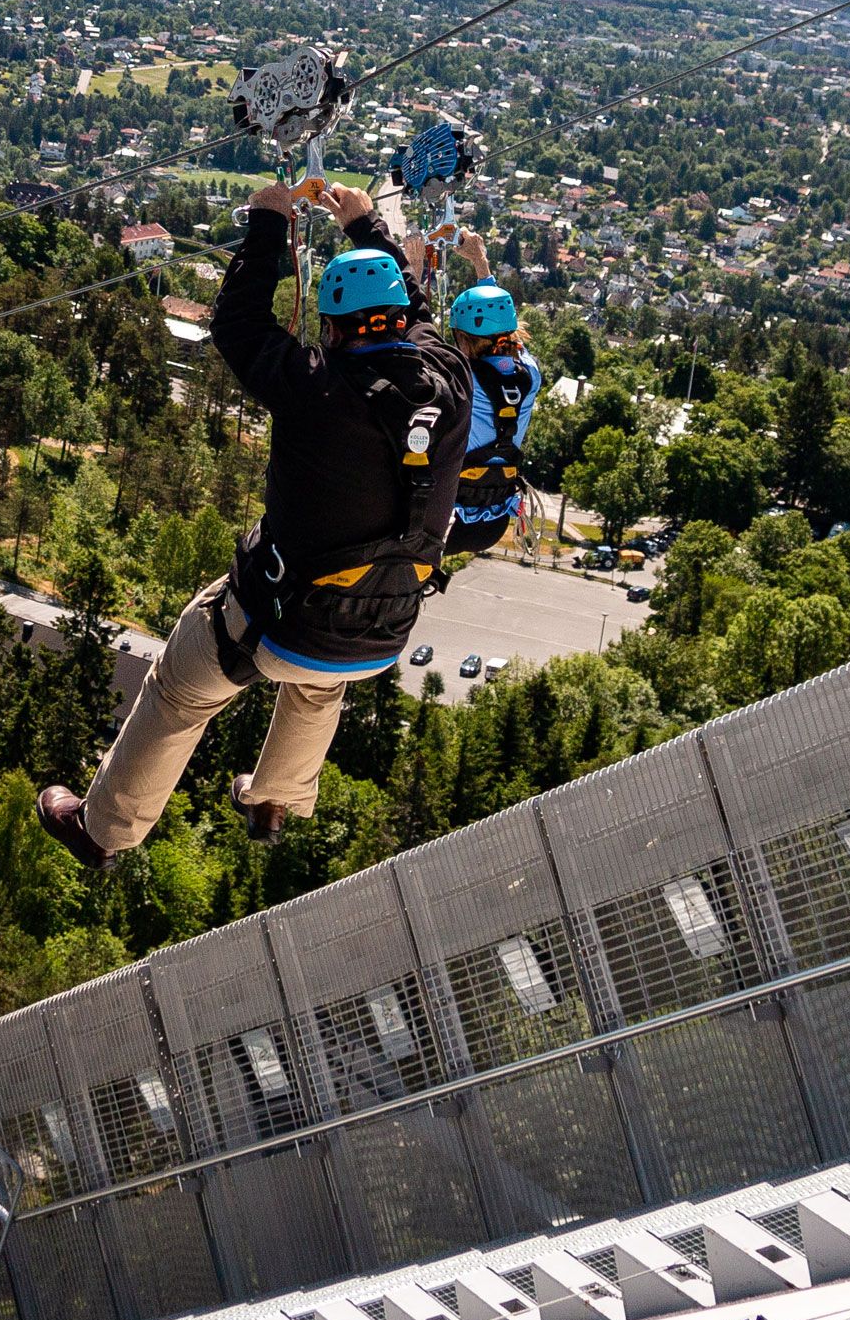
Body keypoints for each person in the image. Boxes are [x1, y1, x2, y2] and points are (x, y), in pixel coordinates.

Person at [42, 179, 469, 861]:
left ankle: (103, 831)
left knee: (180, 691)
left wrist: (270, 219)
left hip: (279, 618)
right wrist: (367, 227)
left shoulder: (313, 387)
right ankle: (276, 799)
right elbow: (417, 313)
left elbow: (237, 320)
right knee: (318, 683)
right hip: (383, 629)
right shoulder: (451, 380)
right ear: (398, 320)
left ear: (331, 327)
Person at [438, 273, 541, 569]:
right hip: (493, 526)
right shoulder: (531, 375)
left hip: (446, 521)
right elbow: (508, 332)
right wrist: (484, 272)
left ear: (464, 340)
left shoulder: (461, 379)